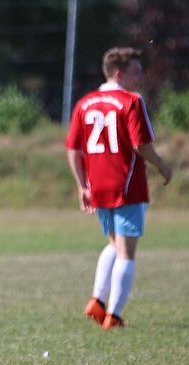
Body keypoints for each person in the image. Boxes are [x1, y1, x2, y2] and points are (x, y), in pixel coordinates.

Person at [65, 47, 172, 331]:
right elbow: (140, 145)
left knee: (114, 244)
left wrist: (81, 185)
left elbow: (73, 149)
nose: (140, 76)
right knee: (126, 252)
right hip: (127, 185)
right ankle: (114, 314)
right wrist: (161, 164)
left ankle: (97, 301)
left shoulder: (85, 103)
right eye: (136, 71)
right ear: (118, 73)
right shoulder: (132, 101)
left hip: (98, 185)